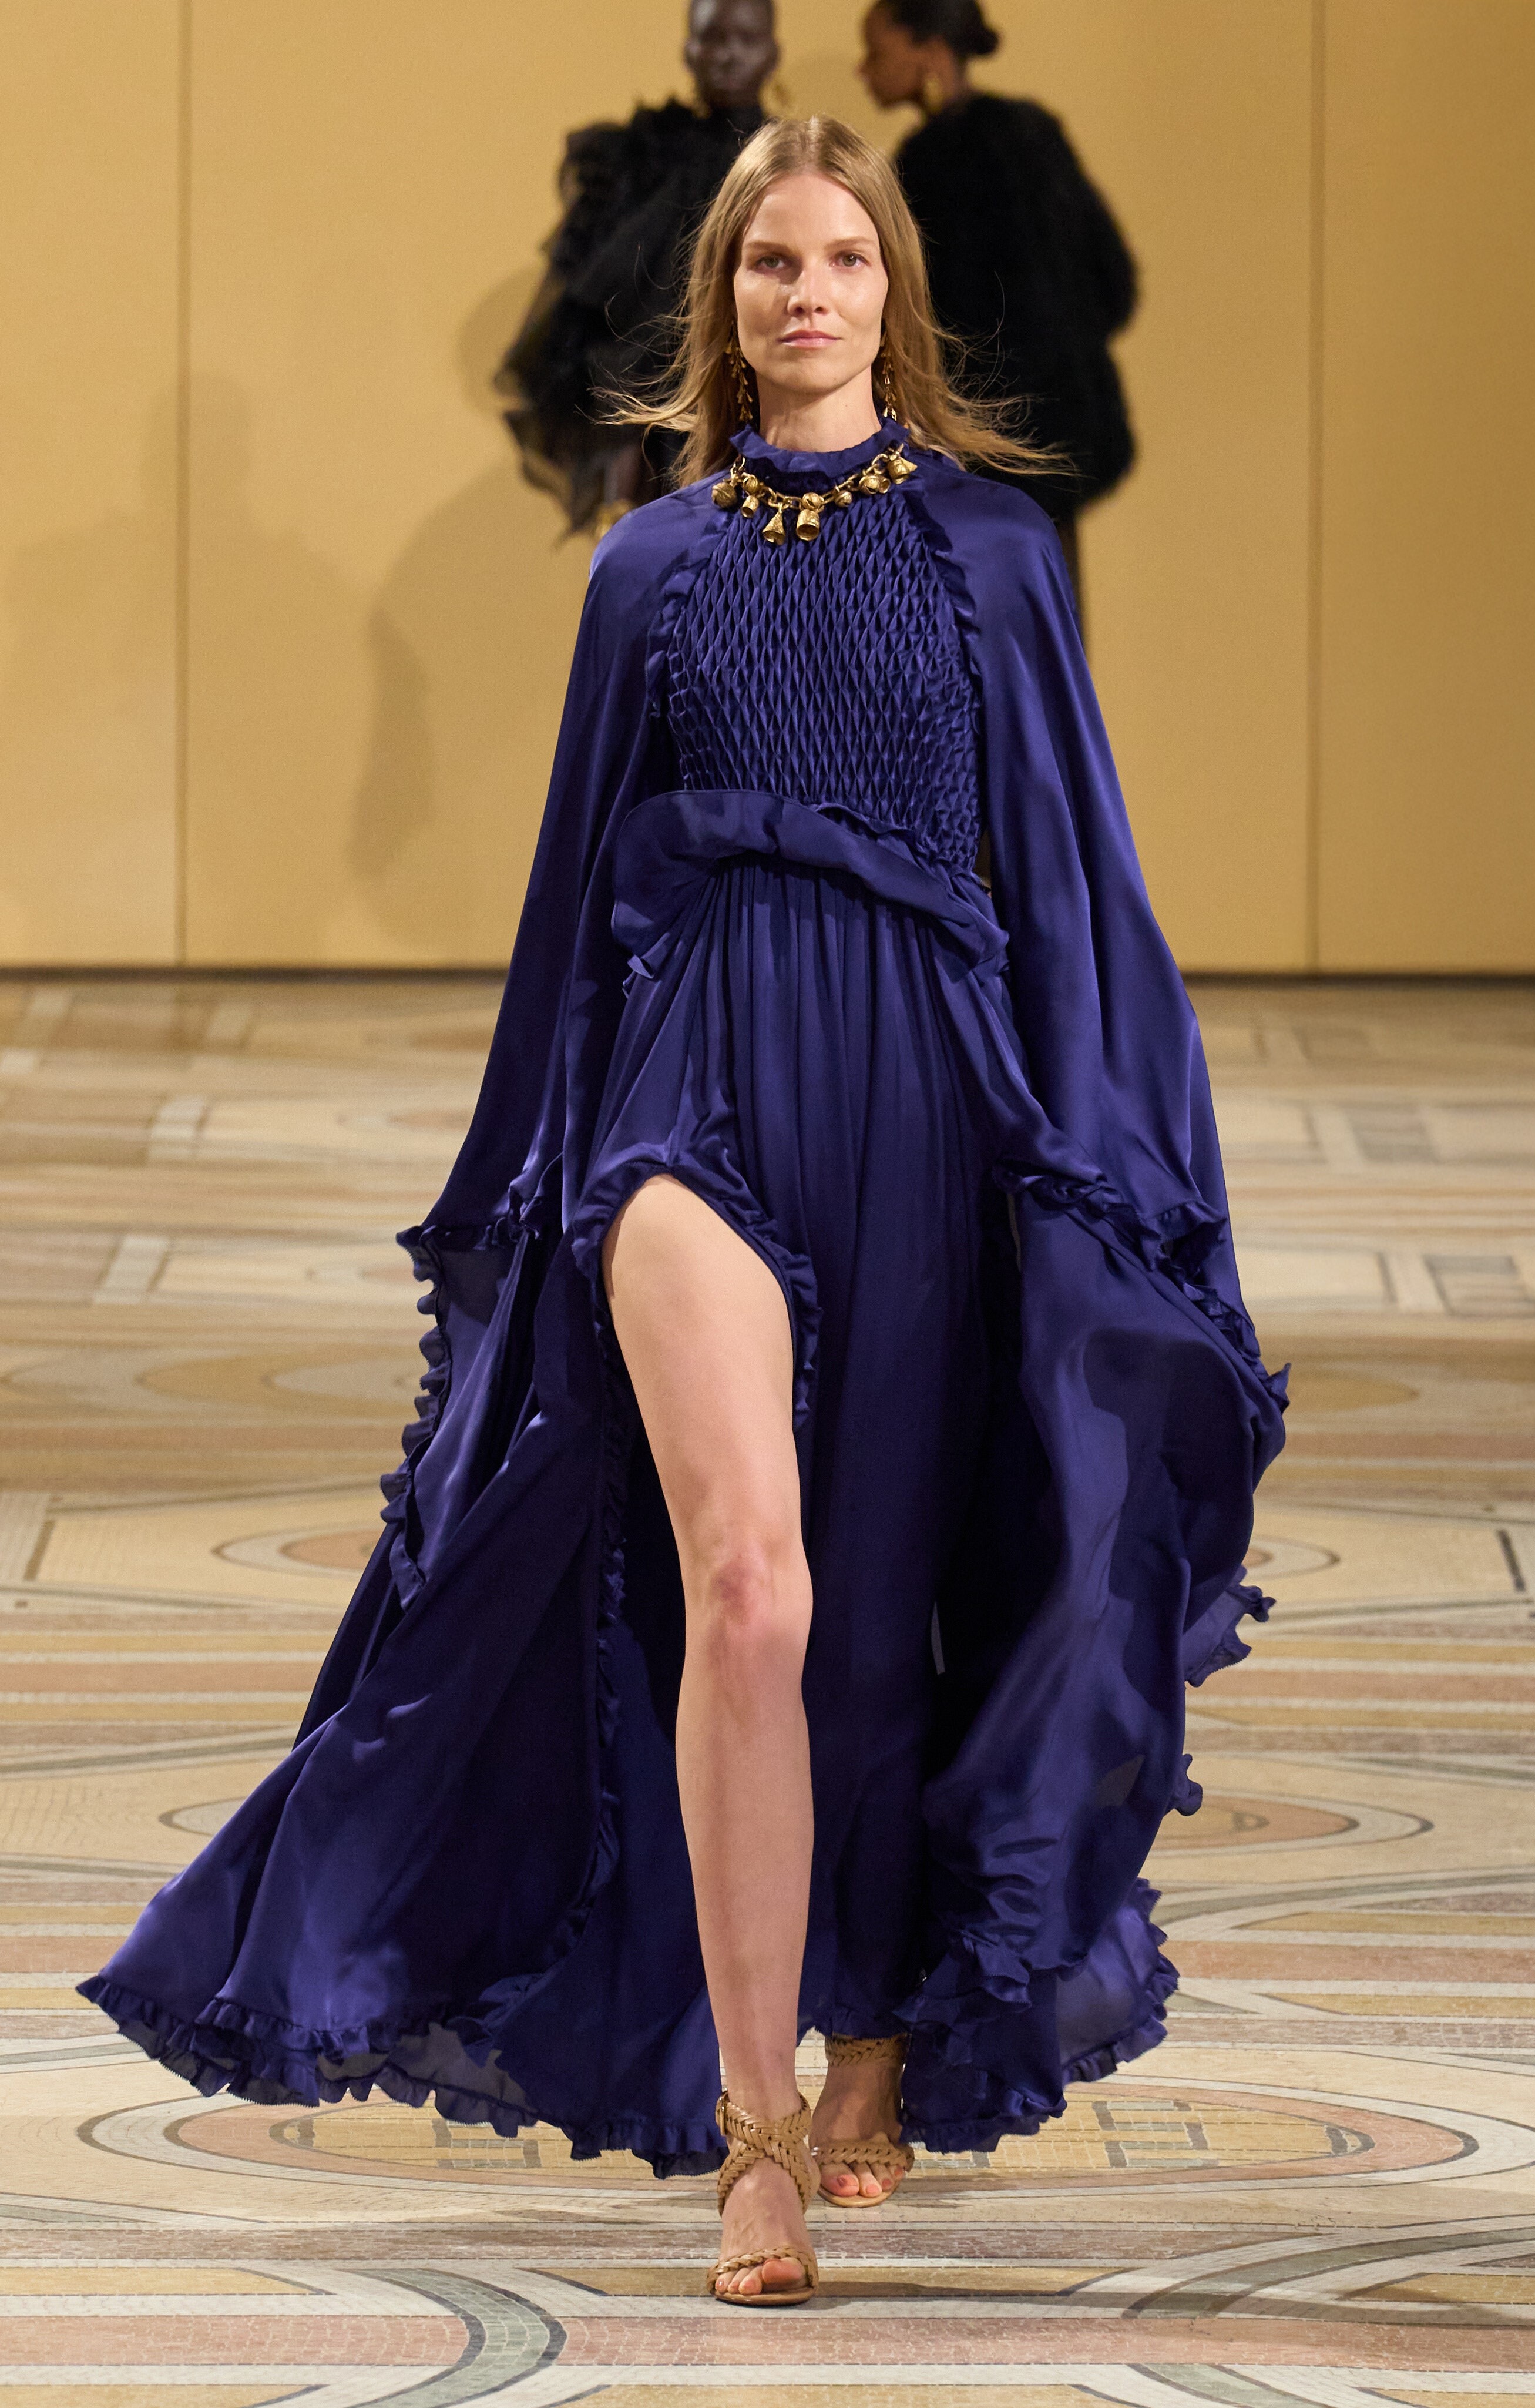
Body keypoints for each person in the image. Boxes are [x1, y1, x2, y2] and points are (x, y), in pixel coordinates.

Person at [82, 118, 1284, 2308]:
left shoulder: (993, 554)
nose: (804, 295)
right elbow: (568, 906)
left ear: (893, 293)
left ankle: (877, 2018)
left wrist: (1116, 1183)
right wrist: (531, 1193)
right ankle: (752, 2126)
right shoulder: (646, 569)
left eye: (841, 259)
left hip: (927, 1100)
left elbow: (1073, 884)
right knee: (748, 1586)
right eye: (767, 263)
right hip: (685, 1099)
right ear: (721, 299)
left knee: (884, 1602)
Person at [859, 0, 1137, 609]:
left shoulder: (928, 167)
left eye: (876, 52)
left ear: (931, 53)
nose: (863, 70)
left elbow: (925, 328)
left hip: (980, 446)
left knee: (984, 628)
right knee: (1050, 627)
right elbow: (1115, 285)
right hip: (1063, 444)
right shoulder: (1034, 135)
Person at [496, 0, 778, 535]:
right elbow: (608, 320)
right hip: (643, 412)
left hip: (753, 398)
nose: (727, 56)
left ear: (773, 53)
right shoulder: (640, 160)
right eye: (712, 39)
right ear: (688, 51)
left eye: (746, 39)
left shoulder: (787, 163)